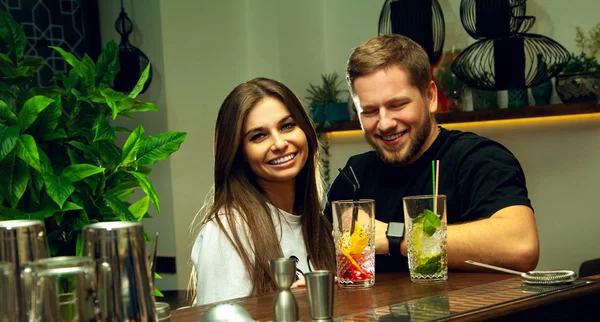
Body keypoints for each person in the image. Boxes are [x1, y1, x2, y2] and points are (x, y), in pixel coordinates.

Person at [324, 35, 539, 273]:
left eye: (397, 105)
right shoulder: (355, 175)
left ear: (430, 97)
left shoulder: (477, 158)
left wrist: (394, 237)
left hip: (467, 309)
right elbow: (319, 257)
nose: (385, 124)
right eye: (370, 111)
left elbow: (521, 246)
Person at [190, 77, 335, 305]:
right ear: (239, 154)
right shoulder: (230, 228)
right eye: (258, 136)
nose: (279, 144)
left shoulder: (318, 223)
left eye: (287, 126)